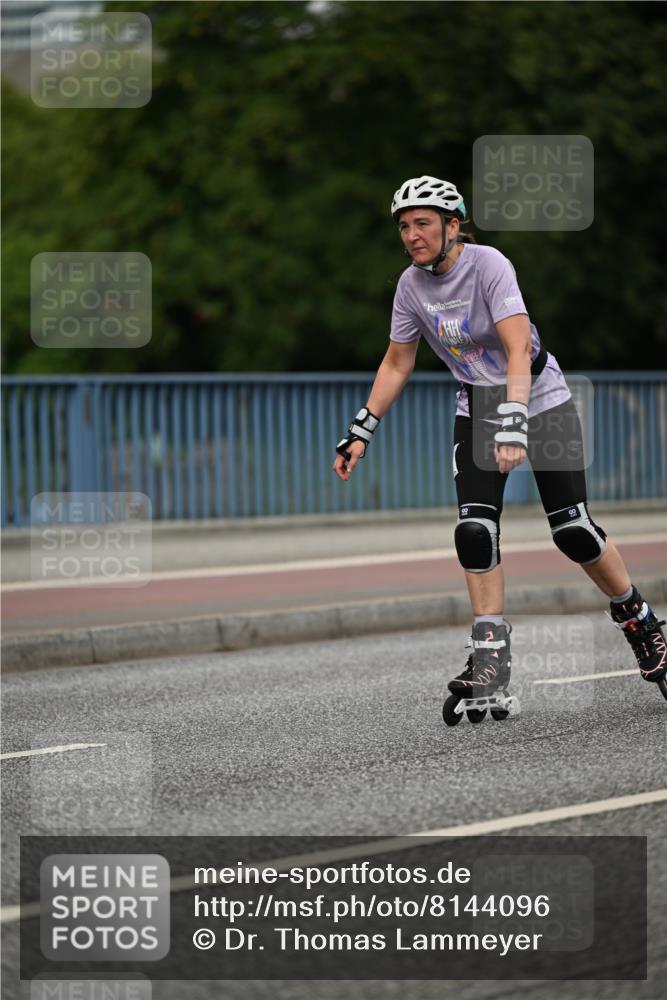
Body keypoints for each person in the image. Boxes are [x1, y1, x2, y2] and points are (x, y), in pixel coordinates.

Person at [333, 174, 666, 700]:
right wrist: (361, 429)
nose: (412, 234)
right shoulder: (410, 287)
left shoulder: (489, 264)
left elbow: (516, 349)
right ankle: (490, 656)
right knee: (474, 532)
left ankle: (640, 620)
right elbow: (398, 362)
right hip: (476, 404)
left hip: (540, 396)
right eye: (403, 225)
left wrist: (514, 420)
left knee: (573, 530)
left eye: (423, 223)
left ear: (452, 226)